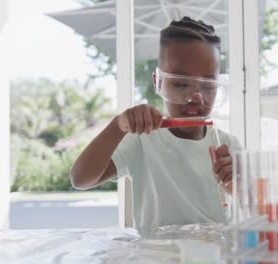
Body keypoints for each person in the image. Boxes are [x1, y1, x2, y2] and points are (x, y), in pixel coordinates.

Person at [70, 17, 240, 236]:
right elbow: (80, 179)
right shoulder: (142, 140)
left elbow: (255, 213)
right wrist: (118, 125)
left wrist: (239, 188)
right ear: (158, 82)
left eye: (208, 86)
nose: (196, 97)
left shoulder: (228, 145)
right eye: (180, 83)